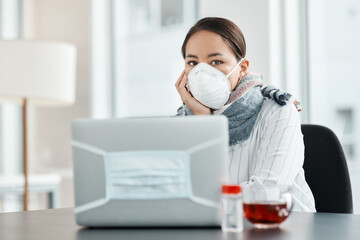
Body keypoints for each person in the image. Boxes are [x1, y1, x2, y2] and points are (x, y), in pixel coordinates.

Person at [175, 17, 316, 212]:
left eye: (216, 61)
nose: (202, 72)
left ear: (242, 68)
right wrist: (203, 121)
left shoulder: (279, 111)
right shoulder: (179, 123)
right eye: (192, 62)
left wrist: (197, 201)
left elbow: (265, 194)